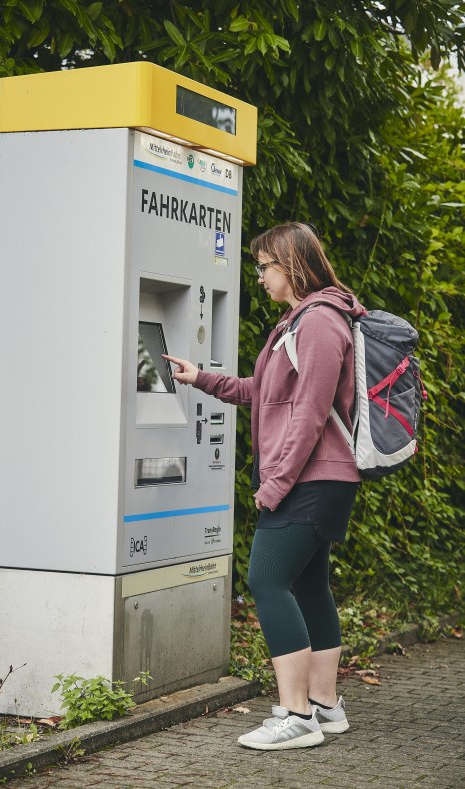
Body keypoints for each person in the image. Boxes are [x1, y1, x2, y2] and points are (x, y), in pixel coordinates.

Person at [164, 222, 365, 751]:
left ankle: (296, 717)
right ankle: (325, 707)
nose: (259, 277)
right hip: (318, 477)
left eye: (264, 267)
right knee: (308, 584)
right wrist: (202, 377)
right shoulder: (301, 322)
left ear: (290, 265)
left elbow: (309, 414)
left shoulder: (320, 323)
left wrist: (275, 483)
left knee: (266, 578)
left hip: (311, 478)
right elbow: (267, 391)